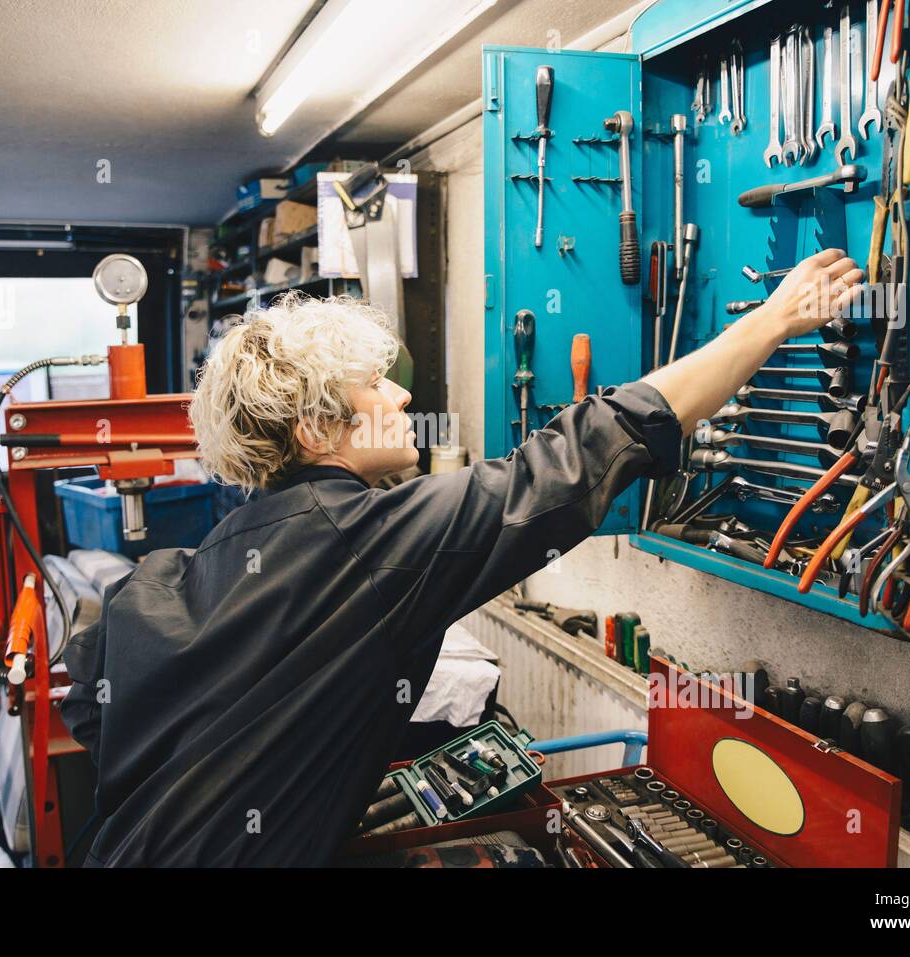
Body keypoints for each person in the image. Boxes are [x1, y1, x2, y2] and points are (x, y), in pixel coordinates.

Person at [61, 248, 865, 866]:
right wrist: (768, 323)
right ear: (313, 430)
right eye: (377, 385)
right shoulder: (363, 543)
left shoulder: (171, 571)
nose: (404, 397)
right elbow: (578, 455)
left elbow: (92, 701)